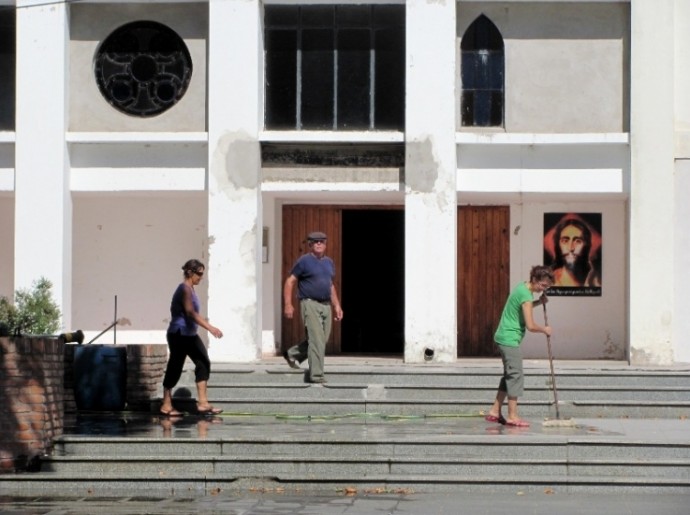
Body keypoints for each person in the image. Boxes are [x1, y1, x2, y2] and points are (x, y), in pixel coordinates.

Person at [485, 265, 553, 427]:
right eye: (542, 285)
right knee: (515, 376)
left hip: (504, 337)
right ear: (534, 280)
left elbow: (524, 306)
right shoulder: (525, 294)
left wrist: (538, 302)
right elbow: (530, 325)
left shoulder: (523, 288)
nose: (543, 289)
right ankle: (512, 416)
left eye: (547, 287)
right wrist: (545, 329)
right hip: (509, 339)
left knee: (509, 375)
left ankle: (495, 411)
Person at [159, 259, 224, 417]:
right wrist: (211, 328)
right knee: (176, 366)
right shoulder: (184, 289)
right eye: (199, 273)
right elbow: (190, 312)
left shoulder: (191, 289)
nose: (201, 277)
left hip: (189, 334)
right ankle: (166, 404)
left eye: (202, 274)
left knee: (203, 362)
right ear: (190, 272)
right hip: (179, 334)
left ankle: (203, 403)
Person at [282, 231, 343, 384]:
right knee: (317, 340)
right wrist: (288, 304)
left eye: (322, 241)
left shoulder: (329, 262)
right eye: (315, 241)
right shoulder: (304, 261)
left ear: (325, 244)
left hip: (326, 305)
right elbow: (290, 282)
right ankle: (316, 375)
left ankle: (292, 354)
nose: (319, 243)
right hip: (310, 303)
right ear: (310, 245)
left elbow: (330, 285)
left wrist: (337, 306)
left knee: (322, 339)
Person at [551, 217, 600, 287]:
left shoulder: (595, 279)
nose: (571, 248)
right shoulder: (550, 280)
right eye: (565, 241)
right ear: (558, 245)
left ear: (586, 246)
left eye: (578, 241)